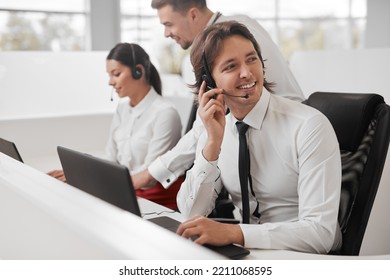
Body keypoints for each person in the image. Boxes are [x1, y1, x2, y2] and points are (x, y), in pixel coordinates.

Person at [175, 21, 342, 254]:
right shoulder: (215, 127)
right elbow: (190, 214)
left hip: (303, 257)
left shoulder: (308, 126)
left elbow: (322, 234)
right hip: (247, 255)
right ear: (210, 83)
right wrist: (211, 144)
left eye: (252, 59)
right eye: (231, 66)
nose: (247, 73)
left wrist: (235, 234)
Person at [131, 0, 304, 190]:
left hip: (286, 144)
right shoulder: (212, 45)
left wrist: (150, 174)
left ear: (193, 15)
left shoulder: (234, 36)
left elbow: (202, 131)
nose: (166, 33)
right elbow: (205, 127)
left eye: (168, 24)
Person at [50, 43, 183, 210]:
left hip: (153, 201)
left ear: (138, 71)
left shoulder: (165, 113)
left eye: (116, 74)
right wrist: (82, 174)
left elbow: (149, 176)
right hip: (124, 191)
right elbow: (111, 158)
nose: (110, 82)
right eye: (109, 75)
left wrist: (101, 181)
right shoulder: (122, 109)